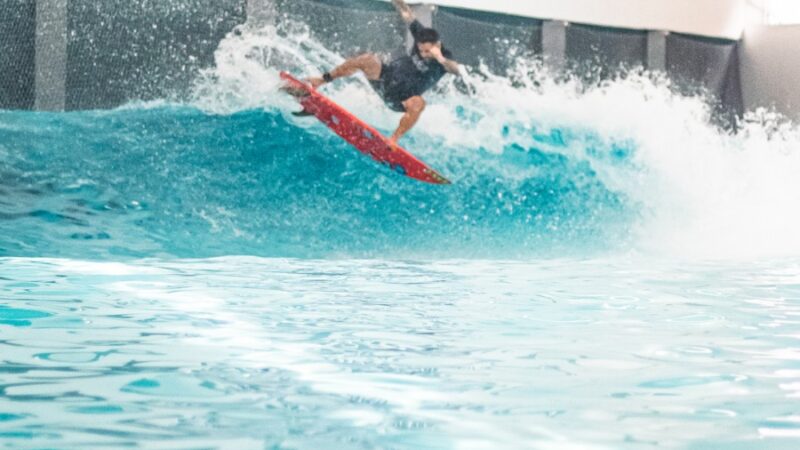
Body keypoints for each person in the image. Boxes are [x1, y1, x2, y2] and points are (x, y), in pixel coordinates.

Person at [305, 0, 460, 144]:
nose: (424, 54)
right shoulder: (422, 34)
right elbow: (406, 13)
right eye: (421, 50)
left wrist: (439, 58)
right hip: (385, 79)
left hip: (401, 99)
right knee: (367, 59)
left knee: (419, 103)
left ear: (437, 45)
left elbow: (455, 69)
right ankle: (321, 80)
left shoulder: (444, 58)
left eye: (427, 51)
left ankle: (393, 140)